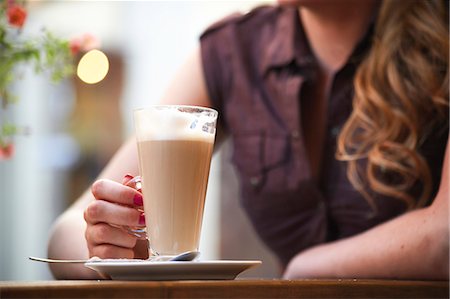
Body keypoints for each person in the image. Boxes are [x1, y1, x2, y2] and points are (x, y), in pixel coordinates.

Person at [48, 0, 449, 279]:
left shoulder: (440, 39)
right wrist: (107, 244)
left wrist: (306, 268)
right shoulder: (233, 52)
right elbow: (64, 235)